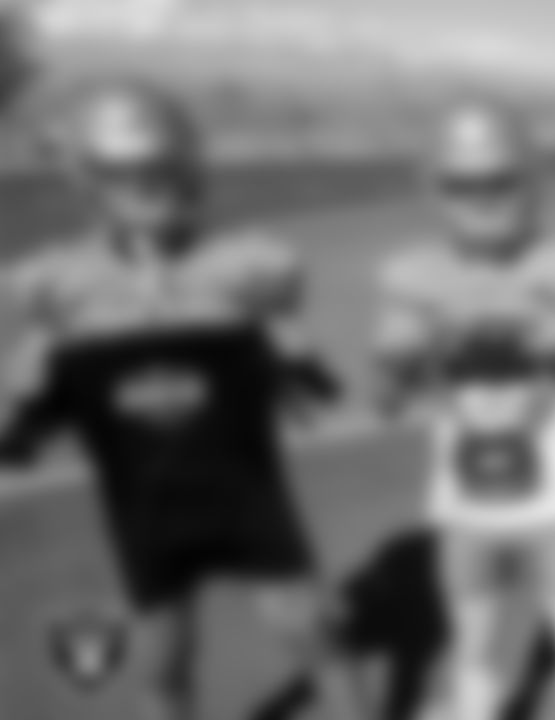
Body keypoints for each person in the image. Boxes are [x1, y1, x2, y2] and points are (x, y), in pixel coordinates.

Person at [0, 83, 363, 720]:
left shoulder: (248, 270)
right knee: (162, 663)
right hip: (147, 513)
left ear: (190, 170)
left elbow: (319, 394)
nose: (147, 188)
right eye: (123, 175)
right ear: (90, 183)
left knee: (312, 635)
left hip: (250, 500)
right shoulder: (57, 288)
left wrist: (294, 353)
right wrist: (21, 393)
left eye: (161, 170)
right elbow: (19, 443)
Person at [372, 104, 555, 720]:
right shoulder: (411, 276)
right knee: (473, 649)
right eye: (463, 184)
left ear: (529, 181)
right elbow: (386, 403)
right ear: (436, 189)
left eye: (500, 181)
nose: (483, 198)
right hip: (466, 505)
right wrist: (398, 361)